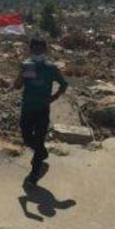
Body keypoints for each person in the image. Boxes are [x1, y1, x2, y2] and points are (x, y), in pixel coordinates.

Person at [15, 36, 68, 181]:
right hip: (27, 108)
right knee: (27, 138)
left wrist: (54, 97)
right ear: (30, 49)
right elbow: (18, 86)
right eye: (34, 48)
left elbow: (64, 84)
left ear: (45, 50)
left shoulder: (50, 68)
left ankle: (35, 171)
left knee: (39, 139)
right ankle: (42, 152)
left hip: (42, 109)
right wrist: (20, 73)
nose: (37, 51)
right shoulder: (29, 66)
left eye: (40, 49)